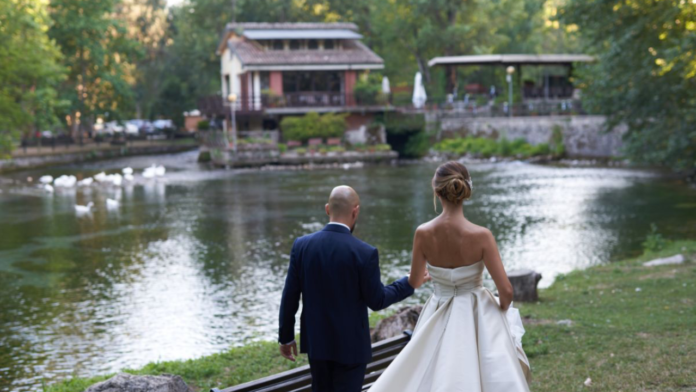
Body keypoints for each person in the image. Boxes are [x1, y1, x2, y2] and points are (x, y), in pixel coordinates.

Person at [368, 161, 531, 392]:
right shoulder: (482, 235)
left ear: (436, 191)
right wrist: (500, 312)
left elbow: (414, 282)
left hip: (438, 310)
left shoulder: (423, 233)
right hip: (478, 313)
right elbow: (506, 291)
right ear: (466, 190)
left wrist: (429, 276)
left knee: (431, 373)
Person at [278, 186, 421, 392]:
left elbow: (290, 295)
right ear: (355, 211)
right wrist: (408, 283)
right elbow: (377, 300)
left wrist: (286, 336)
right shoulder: (364, 253)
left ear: (328, 209)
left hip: (317, 344)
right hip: (351, 348)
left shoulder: (302, 246)